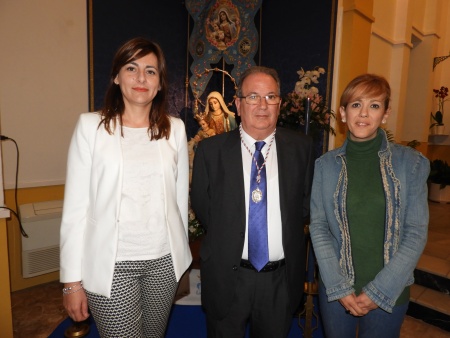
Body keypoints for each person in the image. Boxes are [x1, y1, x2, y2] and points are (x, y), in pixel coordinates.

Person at [60, 37, 192, 337]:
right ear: (116, 76)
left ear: (160, 84)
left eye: (150, 71)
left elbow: (179, 202)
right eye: (131, 68)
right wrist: (71, 281)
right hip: (112, 265)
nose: (141, 78)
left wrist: (180, 260)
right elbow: (75, 209)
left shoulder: (175, 130)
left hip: (162, 263)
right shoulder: (90, 127)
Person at [191, 66, 314, 337]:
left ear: (279, 103)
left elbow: (303, 207)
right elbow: (202, 205)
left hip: (279, 279)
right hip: (228, 275)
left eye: (270, 97)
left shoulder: (301, 149)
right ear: (237, 103)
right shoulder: (211, 151)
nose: (262, 105)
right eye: (253, 97)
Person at [309, 74, 430, 338]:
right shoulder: (325, 166)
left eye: (374, 106)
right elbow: (319, 228)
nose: (363, 113)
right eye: (355, 104)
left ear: (385, 114)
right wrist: (339, 287)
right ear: (342, 113)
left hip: (390, 291)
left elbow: (415, 232)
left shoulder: (411, 164)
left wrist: (379, 291)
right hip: (337, 291)